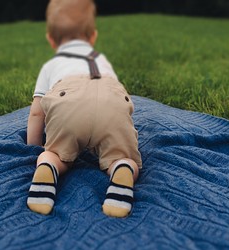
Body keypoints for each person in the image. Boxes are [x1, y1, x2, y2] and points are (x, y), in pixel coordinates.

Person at [26, 0, 142, 218]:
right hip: (111, 99)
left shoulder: (51, 65)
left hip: (68, 102)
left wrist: (34, 148)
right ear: (93, 37)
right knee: (121, 155)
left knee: (56, 154)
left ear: (51, 39)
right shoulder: (101, 59)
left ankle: (48, 166)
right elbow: (117, 97)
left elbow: (36, 112)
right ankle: (122, 168)